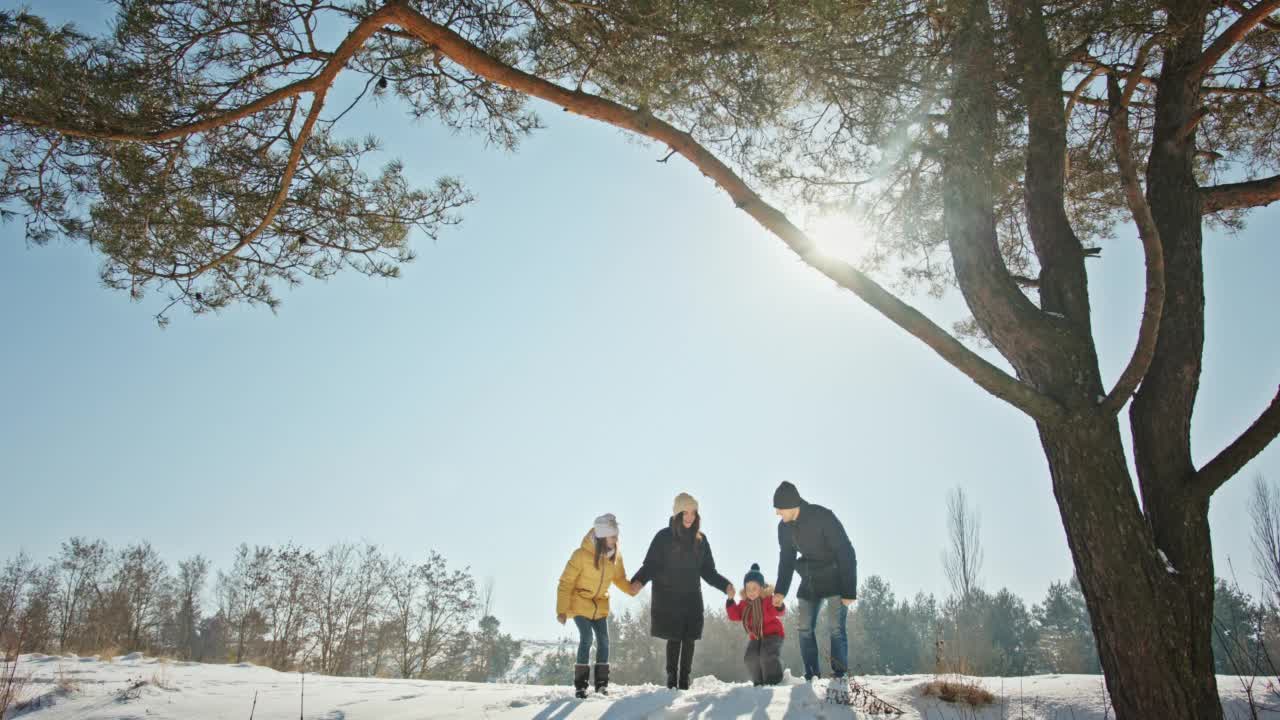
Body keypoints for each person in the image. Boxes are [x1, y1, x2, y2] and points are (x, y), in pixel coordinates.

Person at [630, 492, 734, 690]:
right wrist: (638, 581)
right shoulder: (663, 537)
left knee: (689, 638)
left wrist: (725, 585)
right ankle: (671, 681)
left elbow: (708, 571)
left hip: (692, 597)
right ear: (677, 514)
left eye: (693, 513)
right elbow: (651, 564)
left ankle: (684, 681)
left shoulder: (700, 540)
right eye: (685, 513)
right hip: (668, 597)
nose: (689, 517)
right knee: (674, 638)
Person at [772, 481, 858, 681]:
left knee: (836, 628)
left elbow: (846, 551)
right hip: (810, 579)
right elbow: (786, 559)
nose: (777, 513)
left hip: (835, 579)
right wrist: (780, 591)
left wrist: (849, 591)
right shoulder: (784, 528)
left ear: (792, 505)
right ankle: (812, 675)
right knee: (804, 628)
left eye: (779, 508)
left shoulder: (823, 517)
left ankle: (839, 674)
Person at [556, 513, 636, 698]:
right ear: (601, 536)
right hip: (580, 603)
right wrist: (561, 610)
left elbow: (619, 579)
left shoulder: (614, 556)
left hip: (600, 605)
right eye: (613, 536)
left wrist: (631, 589)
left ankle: (601, 685)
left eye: (617, 537)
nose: (616, 540)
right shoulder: (581, 555)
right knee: (586, 637)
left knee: (604, 641)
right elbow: (566, 582)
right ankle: (581, 686)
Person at [725, 563, 786, 686]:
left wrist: (779, 605)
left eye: (754, 588)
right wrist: (730, 600)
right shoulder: (744, 605)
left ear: (761, 588)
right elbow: (734, 615)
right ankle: (759, 681)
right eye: (748, 589)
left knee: (766, 654)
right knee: (750, 657)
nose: (751, 592)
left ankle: (774, 679)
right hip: (756, 637)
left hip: (773, 635)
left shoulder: (768, 600)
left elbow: (778, 611)